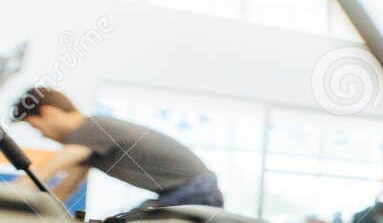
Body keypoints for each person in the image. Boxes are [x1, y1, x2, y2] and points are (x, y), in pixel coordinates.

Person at [8, 87, 224, 209]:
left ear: (49, 112)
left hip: (194, 190)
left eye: (37, 128)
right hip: (185, 189)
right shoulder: (88, 144)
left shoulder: (90, 128)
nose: (43, 135)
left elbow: (47, 170)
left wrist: (9, 196)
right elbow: (65, 189)